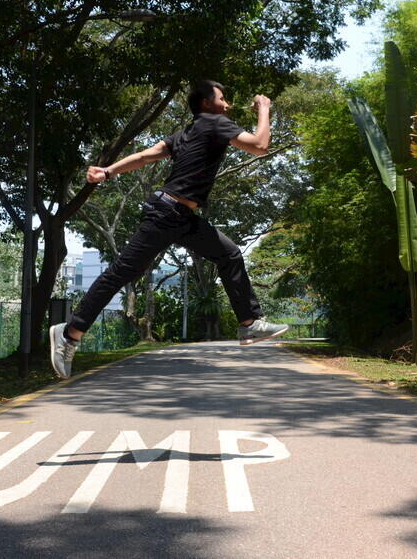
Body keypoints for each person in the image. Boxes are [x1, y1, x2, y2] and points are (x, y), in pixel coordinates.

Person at [49, 80, 289, 378]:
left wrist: (108, 171)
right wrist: (264, 110)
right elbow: (260, 146)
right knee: (123, 271)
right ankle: (70, 333)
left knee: (229, 254)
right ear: (206, 103)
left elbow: (146, 156)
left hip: (182, 217)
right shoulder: (215, 123)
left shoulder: (185, 133)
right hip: (167, 213)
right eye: (223, 98)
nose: (227, 104)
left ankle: (249, 324)